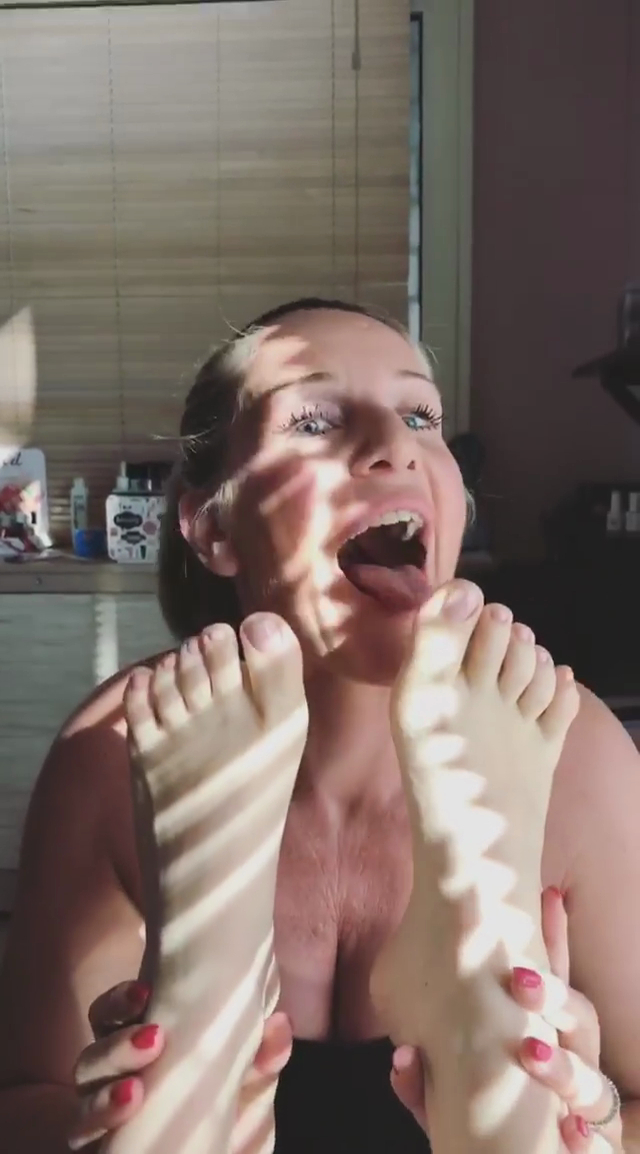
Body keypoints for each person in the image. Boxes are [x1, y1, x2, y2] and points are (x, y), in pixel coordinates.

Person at [0, 299, 637, 1153]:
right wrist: (97, 1124)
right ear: (212, 526)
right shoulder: (115, 755)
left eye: (420, 415)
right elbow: (22, 1101)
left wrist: (598, 1123)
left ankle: (501, 1103)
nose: (395, 443)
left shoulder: (573, 753)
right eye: (313, 419)